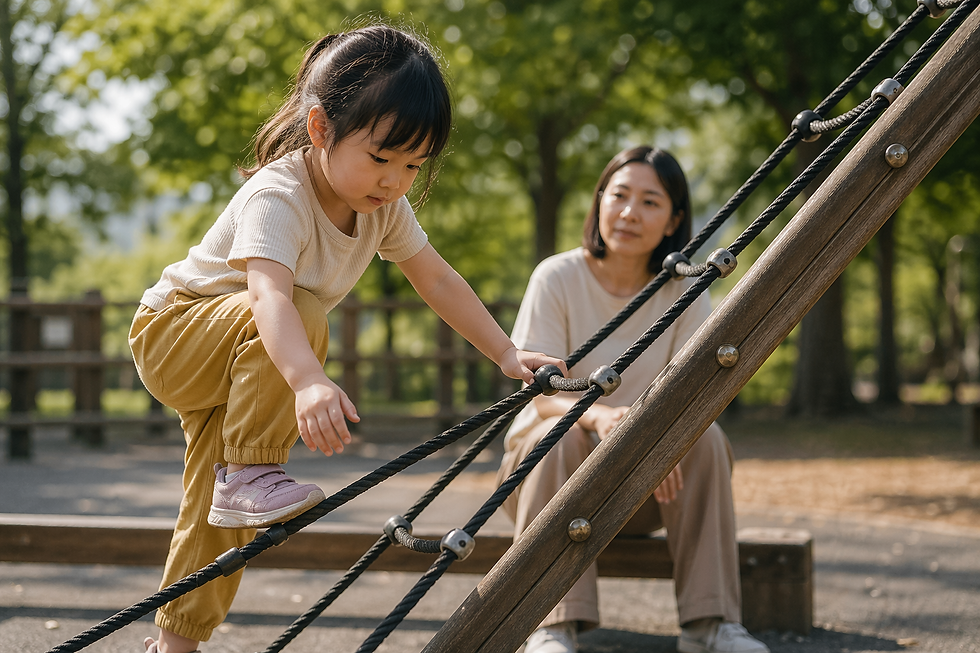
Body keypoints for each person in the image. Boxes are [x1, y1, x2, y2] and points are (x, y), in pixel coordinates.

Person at [129, 26, 565, 653]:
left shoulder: (382, 207)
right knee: (301, 312)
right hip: (176, 335)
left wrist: (505, 351)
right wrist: (307, 381)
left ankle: (176, 643)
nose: (394, 180)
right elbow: (270, 298)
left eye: (413, 165)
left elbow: (436, 278)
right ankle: (252, 467)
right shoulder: (277, 195)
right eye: (381, 157)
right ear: (319, 129)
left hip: (253, 358)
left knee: (219, 512)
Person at [497, 146, 769, 653]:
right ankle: (551, 625)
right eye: (619, 196)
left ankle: (710, 625)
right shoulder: (556, 277)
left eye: (649, 201)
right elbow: (539, 398)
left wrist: (656, 443)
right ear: (599, 202)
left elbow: (694, 395)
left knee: (704, 437)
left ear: (674, 220)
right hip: (543, 480)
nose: (628, 213)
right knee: (558, 437)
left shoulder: (685, 291)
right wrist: (602, 419)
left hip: (651, 487)